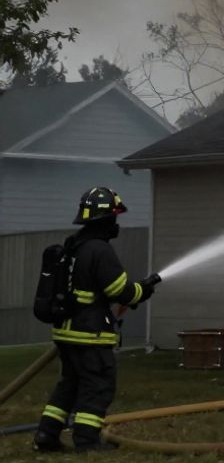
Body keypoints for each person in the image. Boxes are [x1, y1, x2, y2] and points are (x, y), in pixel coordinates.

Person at [33, 187, 158, 453]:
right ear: (105, 219)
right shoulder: (100, 250)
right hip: (90, 334)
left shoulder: (74, 246)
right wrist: (142, 290)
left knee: (70, 384)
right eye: (114, 217)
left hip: (66, 332)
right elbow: (119, 291)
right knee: (98, 385)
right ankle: (87, 441)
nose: (116, 223)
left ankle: (46, 434)